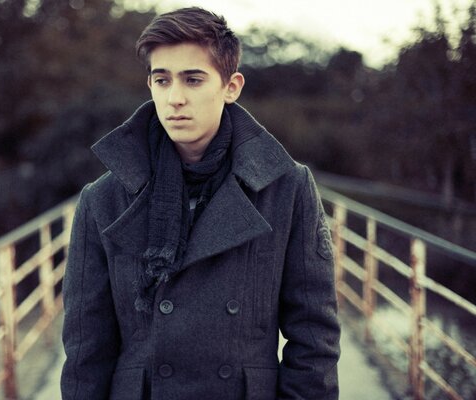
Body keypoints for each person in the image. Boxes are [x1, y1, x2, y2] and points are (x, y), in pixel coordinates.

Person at [61, 7, 340, 400]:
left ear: (231, 86)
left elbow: (315, 338)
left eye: (193, 79)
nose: (175, 98)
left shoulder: (287, 188)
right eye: (162, 80)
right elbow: (84, 352)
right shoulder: (103, 199)